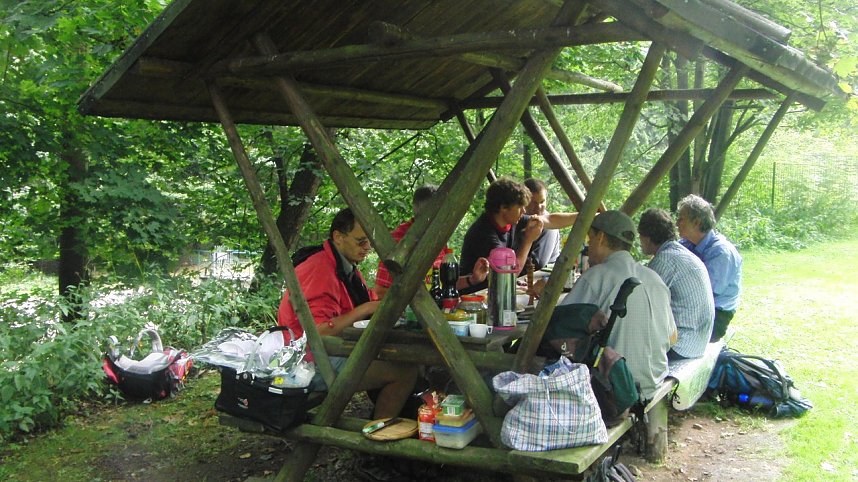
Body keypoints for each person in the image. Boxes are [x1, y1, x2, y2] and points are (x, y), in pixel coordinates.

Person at [277, 208, 418, 419]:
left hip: (324, 353)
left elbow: (368, 299)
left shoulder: (343, 265)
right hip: (307, 364)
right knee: (404, 371)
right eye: (361, 241)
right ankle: (378, 433)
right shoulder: (320, 269)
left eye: (369, 242)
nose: (367, 248)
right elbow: (318, 332)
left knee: (397, 356)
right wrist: (365, 309)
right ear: (338, 237)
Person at [557, 210, 676, 401]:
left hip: (616, 387)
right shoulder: (654, 278)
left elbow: (559, 325)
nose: (588, 246)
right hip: (654, 381)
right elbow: (672, 337)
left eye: (590, 239)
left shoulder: (596, 276)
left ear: (600, 238)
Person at [460, 178, 577, 293]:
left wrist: (583, 216)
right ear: (503, 207)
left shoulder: (509, 220)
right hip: (476, 296)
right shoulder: (484, 234)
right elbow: (509, 274)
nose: (524, 211)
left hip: (497, 291)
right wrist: (528, 240)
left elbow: (550, 220)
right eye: (520, 207)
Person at [374, 184, 489, 299]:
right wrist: (417, 299)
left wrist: (472, 279)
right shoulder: (398, 242)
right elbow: (380, 292)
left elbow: (444, 284)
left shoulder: (438, 237)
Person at [638, 208, 715, 359]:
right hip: (698, 341)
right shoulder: (680, 252)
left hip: (681, 345)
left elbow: (641, 302)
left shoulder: (664, 260)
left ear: (646, 238)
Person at [677, 194, 742, 342]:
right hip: (693, 307)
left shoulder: (721, 253)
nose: (676, 223)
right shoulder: (686, 244)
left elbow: (705, 294)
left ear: (697, 222)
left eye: (681, 219)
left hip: (715, 315)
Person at [515, 178, 562, 270]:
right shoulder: (517, 219)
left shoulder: (549, 226)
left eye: (542, 202)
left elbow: (538, 263)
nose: (538, 207)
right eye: (533, 202)